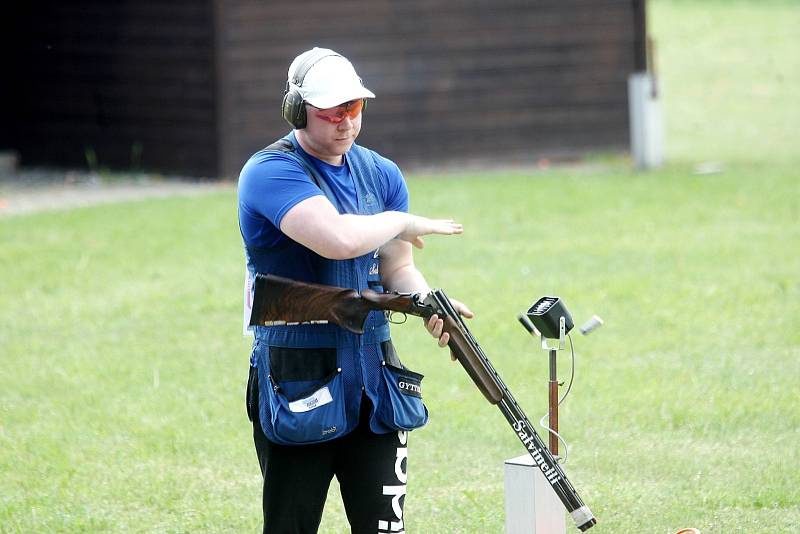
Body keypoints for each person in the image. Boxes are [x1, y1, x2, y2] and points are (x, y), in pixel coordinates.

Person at [237, 47, 473, 533]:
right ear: (298, 111)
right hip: (297, 378)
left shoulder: (381, 173)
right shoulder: (269, 171)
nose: (345, 122)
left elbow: (397, 267)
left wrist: (429, 304)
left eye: (355, 108)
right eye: (332, 112)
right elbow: (339, 241)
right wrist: (400, 219)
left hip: (373, 379)